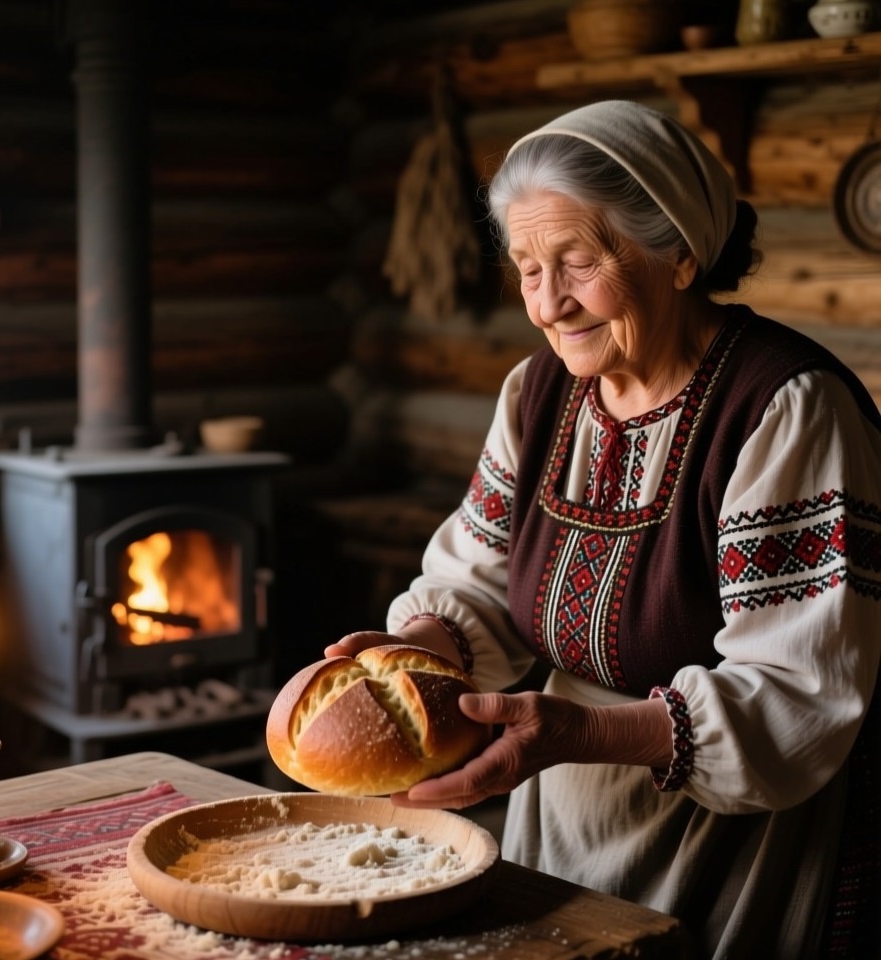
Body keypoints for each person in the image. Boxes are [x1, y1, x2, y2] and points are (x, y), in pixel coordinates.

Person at [323, 100, 881, 960]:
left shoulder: (783, 408)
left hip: (734, 837)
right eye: (526, 268)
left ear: (680, 254)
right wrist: (420, 653)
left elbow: (795, 694)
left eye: (577, 262)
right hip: (563, 808)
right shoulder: (537, 392)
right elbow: (478, 578)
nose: (548, 304)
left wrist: (579, 733)